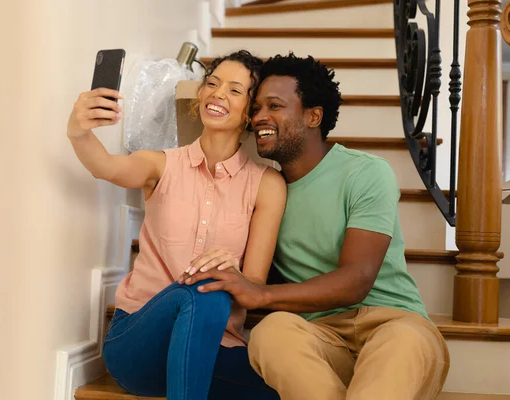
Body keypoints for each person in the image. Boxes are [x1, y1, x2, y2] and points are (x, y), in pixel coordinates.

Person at [184, 53, 450, 400]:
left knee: (402, 343)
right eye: (257, 107)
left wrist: (262, 294)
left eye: (275, 106)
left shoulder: (365, 172)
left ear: (313, 116)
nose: (259, 117)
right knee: (271, 332)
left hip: (394, 325)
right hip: (321, 338)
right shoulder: (263, 192)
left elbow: (356, 280)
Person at [66, 50, 285, 400]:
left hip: (213, 348)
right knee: (207, 289)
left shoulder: (267, 185)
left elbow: (255, 284)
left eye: (234, 90)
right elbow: (106, 166)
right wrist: (79, 132)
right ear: (199, 97)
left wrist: (232, 272)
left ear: (250, 112)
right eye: (212, 84)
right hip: (139, 343)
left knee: (285, 388)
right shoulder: (161, 164)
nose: (217, 93)